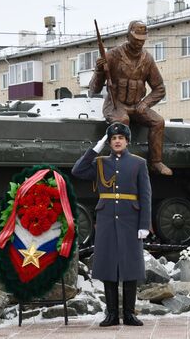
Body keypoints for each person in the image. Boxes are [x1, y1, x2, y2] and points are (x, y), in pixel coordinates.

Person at [72, 122, 151, 326]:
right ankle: (112, 314)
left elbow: (145, 195)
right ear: (109, 142)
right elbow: (78, 170)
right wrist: (95, 148)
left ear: (127, 141)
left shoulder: (138, 163)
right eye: (113, 139)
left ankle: (130, 314)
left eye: (120, 138)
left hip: (130, 220)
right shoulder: (100, 163)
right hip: (107, 219)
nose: (117, 141)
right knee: (108, 266)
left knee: (130, 266)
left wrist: (144, 224)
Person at [89, 20, 172, 176]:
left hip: (136, 105)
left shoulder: (147, 59)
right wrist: (100, 71)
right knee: (123, 121)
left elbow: (159, 88)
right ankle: (121, 161)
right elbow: (94, 89)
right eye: (136, 38)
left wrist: (145, 103)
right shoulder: (112, 55)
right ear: (128, 36)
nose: (139, 42)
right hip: (115, 105)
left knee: (158, 121)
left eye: (142, 39)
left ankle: (156, 162)